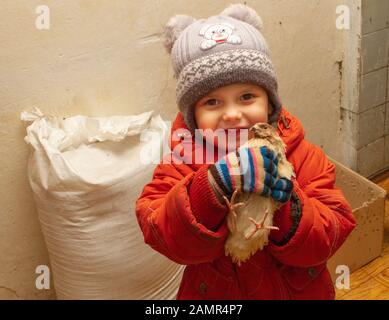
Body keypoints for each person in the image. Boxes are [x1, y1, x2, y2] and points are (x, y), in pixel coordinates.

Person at [135, 3, 356, 299]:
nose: (231, 114)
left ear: (269, 102)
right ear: (192, 115)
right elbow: (160, 231)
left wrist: (288, 200)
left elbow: (331, 233)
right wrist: (211, 186)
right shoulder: (182, 161)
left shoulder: (304, 156)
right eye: (212, 102)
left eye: (247, 97)